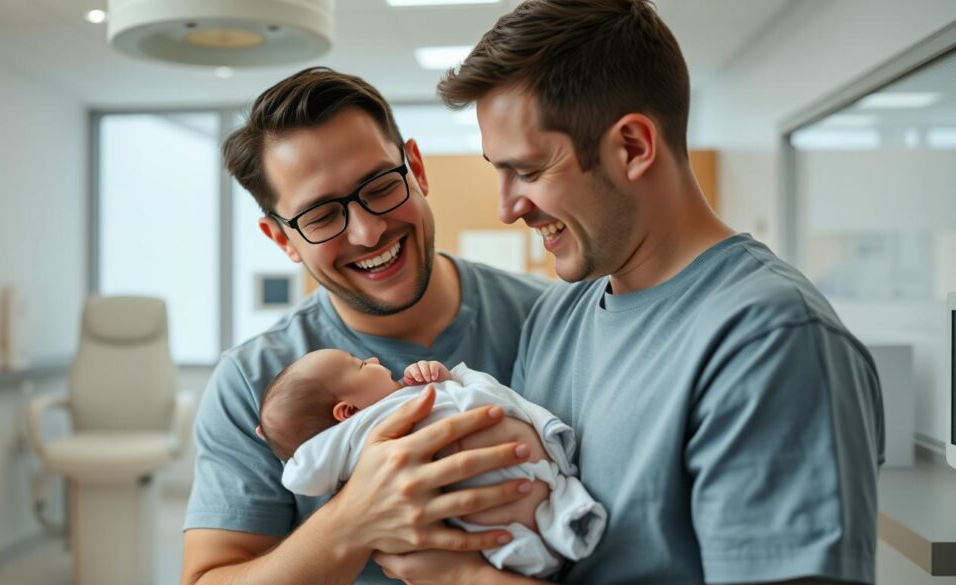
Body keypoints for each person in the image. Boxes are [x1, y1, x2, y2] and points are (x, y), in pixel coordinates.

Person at [371, 1, 885, 584]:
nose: (507, 206)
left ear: (634, 147)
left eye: (531, 170)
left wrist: (465, 581)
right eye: (499, 170)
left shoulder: (771, 341)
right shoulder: (558, 317)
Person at [180, 67, 551, 585]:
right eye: (319, 216)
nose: (368, 230)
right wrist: (351, 519)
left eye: (379, 186)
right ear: (282, 239)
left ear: (416, 169)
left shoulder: (552, 320)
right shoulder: (254, 381)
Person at [256, 350, 607, 578]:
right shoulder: (362, 441)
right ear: (348, 411)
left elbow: (458, 391)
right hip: (494, 526)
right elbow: (308, 471)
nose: (375, 360)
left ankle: (561, 520)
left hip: (536, 481)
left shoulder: (407, 393)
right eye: (360, 365)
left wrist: (441, 376)